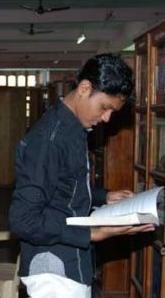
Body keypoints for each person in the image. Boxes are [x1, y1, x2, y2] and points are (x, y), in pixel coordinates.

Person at [8, 53, 156, 298]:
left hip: (70, 263)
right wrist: (93, 233)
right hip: (54, 271)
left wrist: (104, 196)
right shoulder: (50, 140)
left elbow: (63, 184)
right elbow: (22, 220)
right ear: (85, 88)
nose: (107, 118)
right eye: (105, 107)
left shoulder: (75, 128)